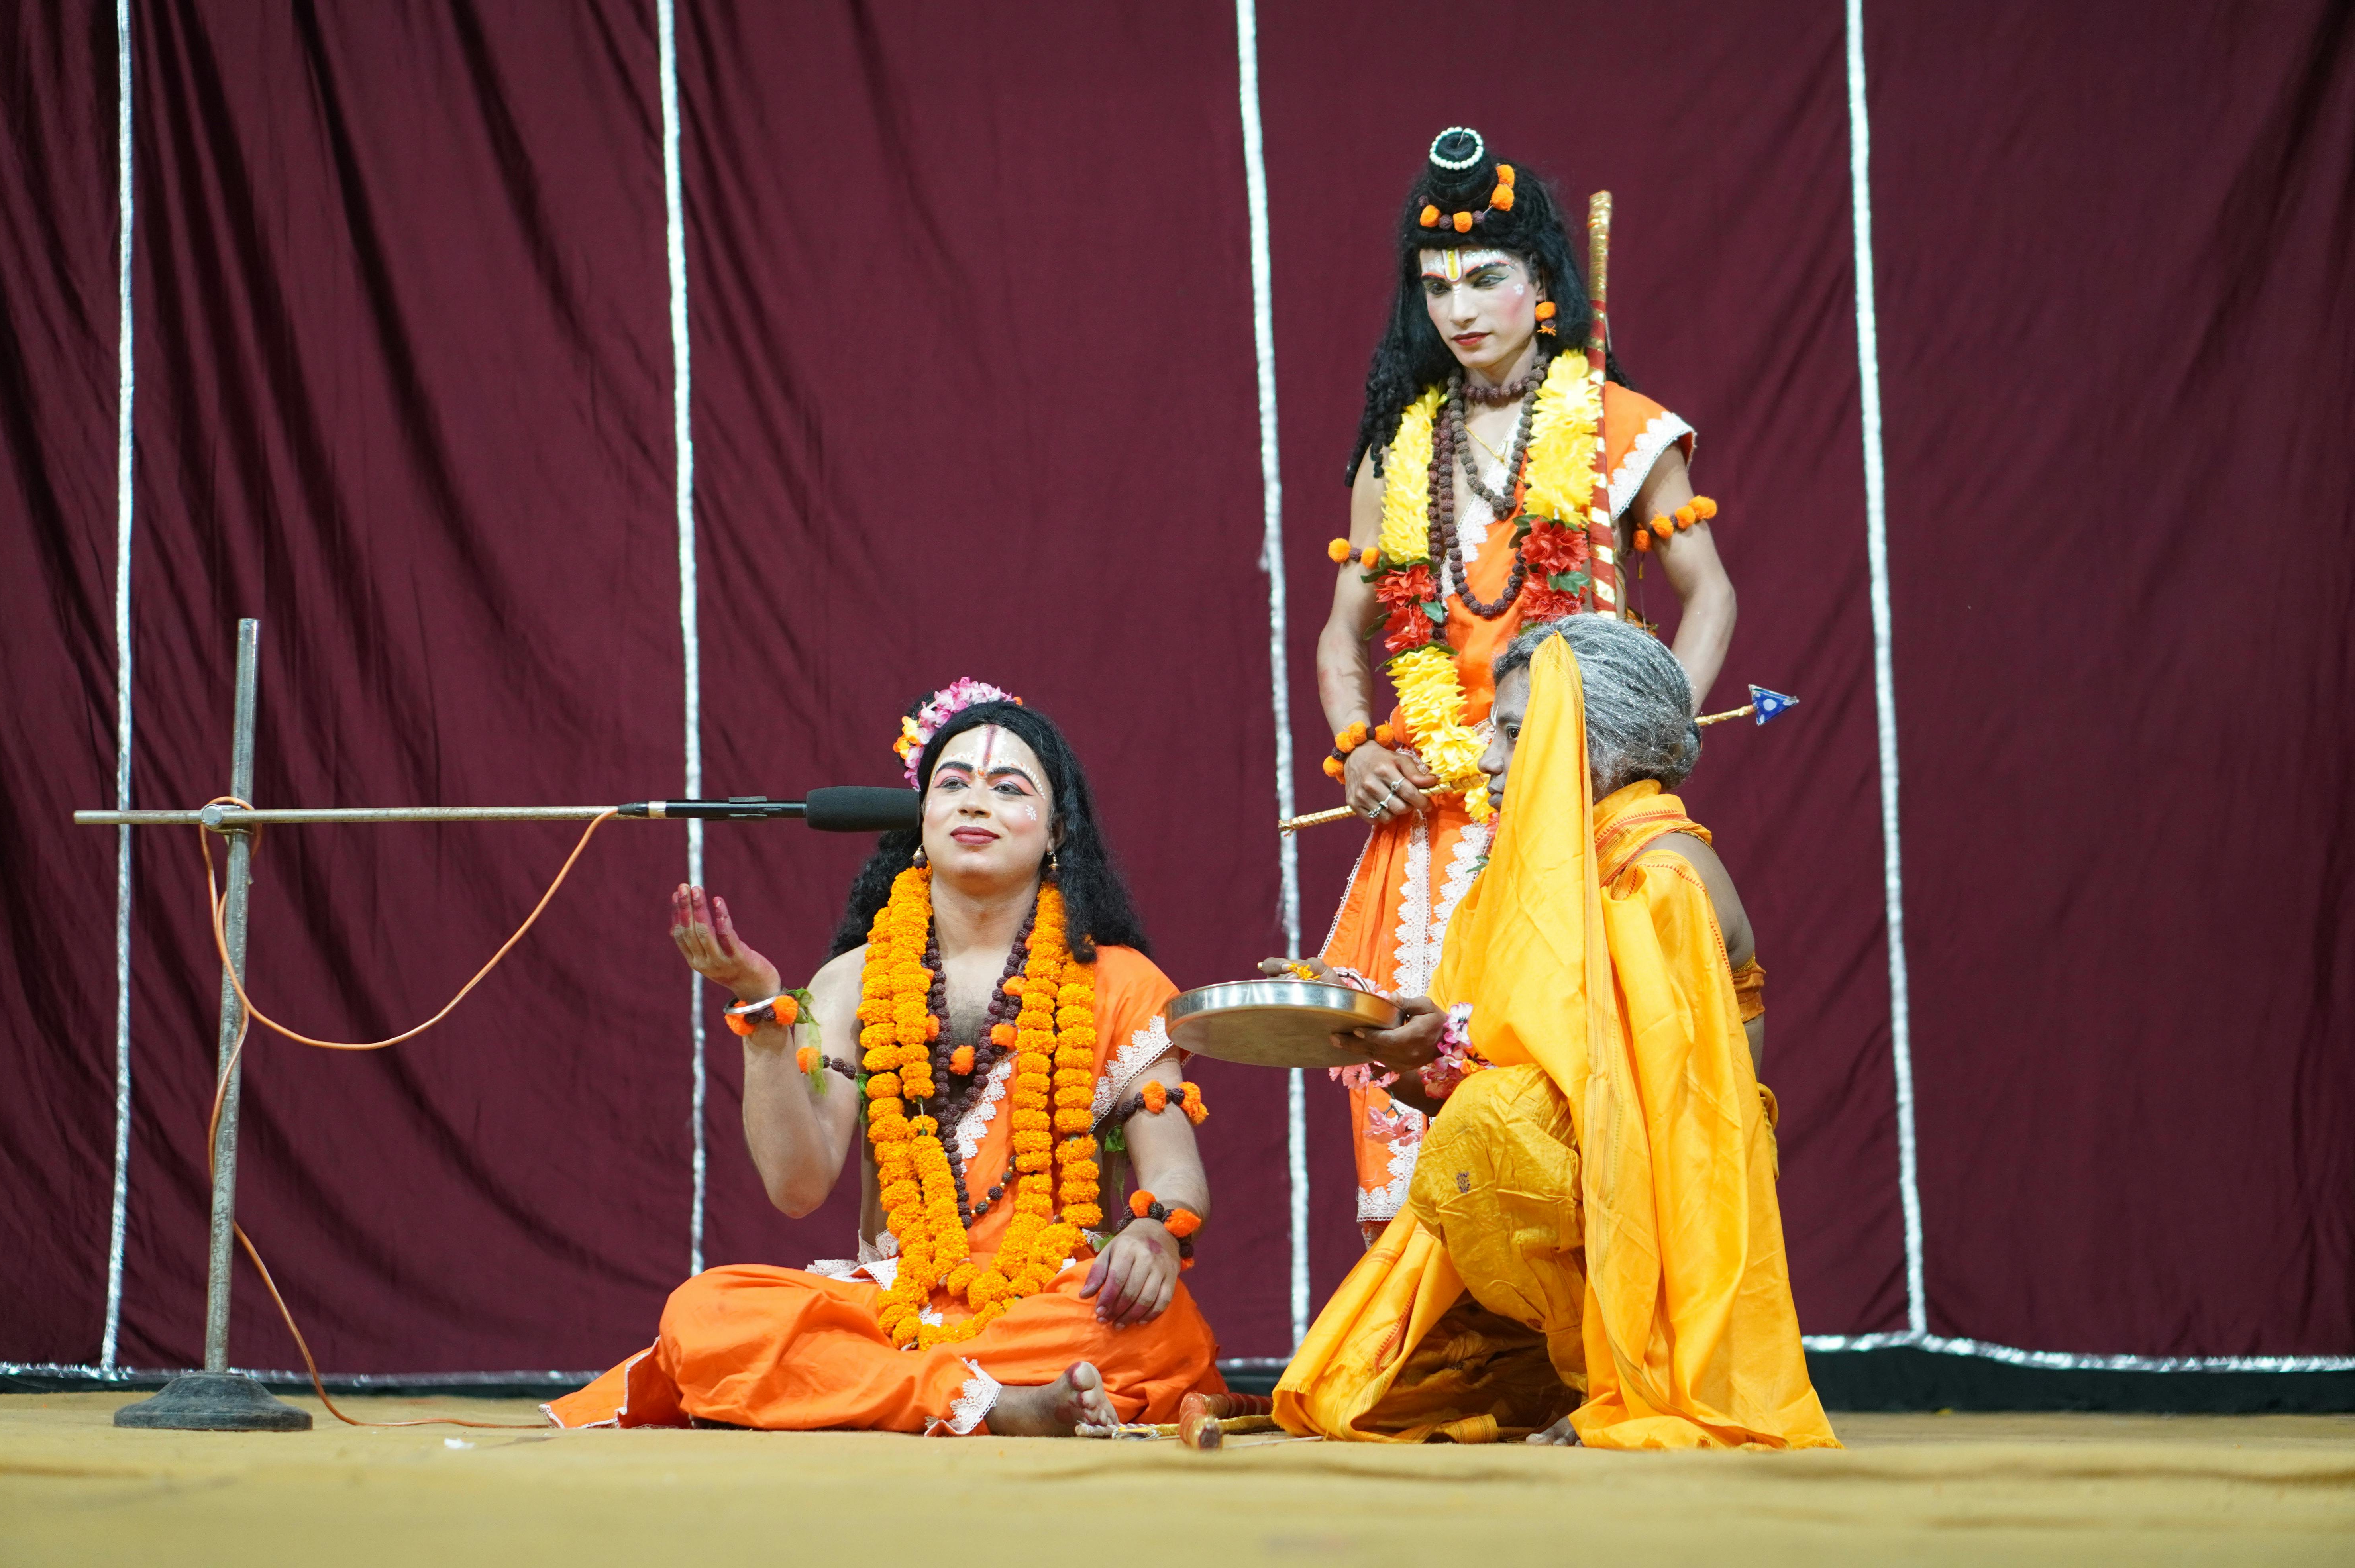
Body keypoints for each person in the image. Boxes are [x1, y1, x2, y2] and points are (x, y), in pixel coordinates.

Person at [544, 683, 1224, 1437]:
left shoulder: (1121, 980)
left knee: (1161, 1330)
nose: (975, 803)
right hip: (894, 1301)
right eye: (953, 785)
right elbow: (797, 1190)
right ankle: (994, 1404)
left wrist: (1156, 1232)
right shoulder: (850, 982)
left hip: (1051, 1296)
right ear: (920, 819)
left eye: (1008, 788)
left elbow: (1173, 1168)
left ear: (1057, 829)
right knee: (708, 1313)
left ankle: (909, 1393)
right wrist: (766, 1018)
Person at [1310, 127, 1737, 1230]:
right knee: (1407, 1069)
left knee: (1554, 1070)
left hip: (1563, 802)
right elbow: (1338, 637)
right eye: (1438, 284)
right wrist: (1359, 751)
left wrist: (1644, 742)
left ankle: (1569, 1343)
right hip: (1428, 813)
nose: (1461, 308)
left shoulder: (1614, 427)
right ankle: (1412, 1352)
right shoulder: (1396, 453)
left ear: (1545, 281)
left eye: (1489, 276)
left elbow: (1712, 596)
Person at [1272, 618, 1835, 1449]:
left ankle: (1629, 1375)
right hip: (1585, 1179)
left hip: (1675, 1195)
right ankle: (1557, 1365)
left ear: (1590, 736)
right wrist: (1395, 1054)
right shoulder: (1532, 874)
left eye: (1509, 732)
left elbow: (1644, 1115)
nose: (1487, 761)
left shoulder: (1661, 871)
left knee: (1492, 1121)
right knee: (1362, 1392)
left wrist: (1455, 1052)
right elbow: (1480, 1086)